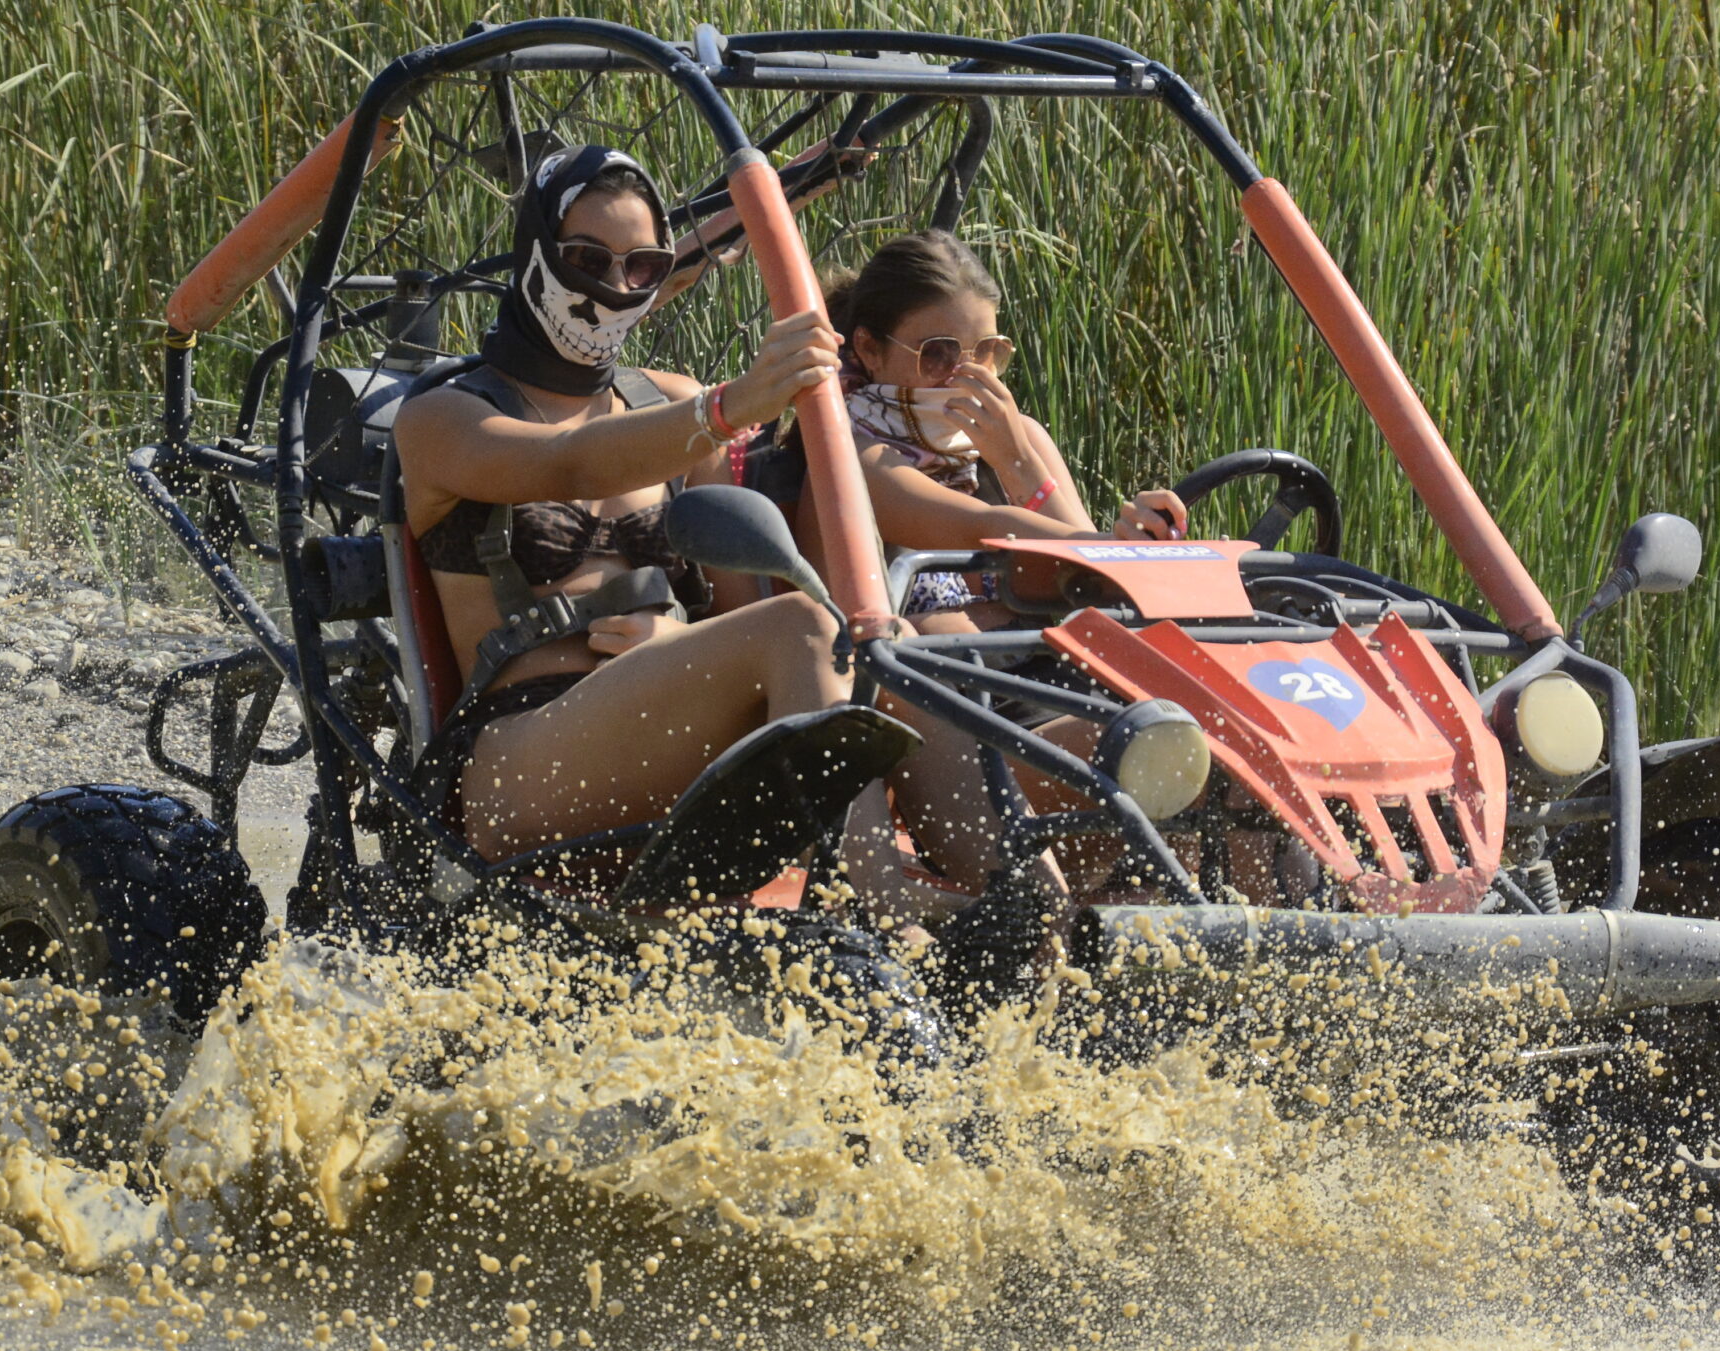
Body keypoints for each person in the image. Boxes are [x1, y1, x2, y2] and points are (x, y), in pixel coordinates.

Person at [393, 144, 856, 867]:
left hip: (667, 731)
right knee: (804, 628)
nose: (615, 286)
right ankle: (865, 895)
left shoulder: (672, 402)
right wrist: (731, 408)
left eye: (641, 267)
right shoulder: (444, 418)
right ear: (537, 253)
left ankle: (1014, 887)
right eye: (587, 260)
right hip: (517, 757)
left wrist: (677, 642)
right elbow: (564, 461)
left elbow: (737, 610)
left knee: (889, 652)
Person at [789, 230, 1189, 929]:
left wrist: (1023, 464)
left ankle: (1303, 941)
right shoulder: (852, 453)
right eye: (939, 355)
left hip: (1050, 707)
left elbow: (1092, 581)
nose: (968, 378)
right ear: (870, 350)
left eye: (987, 355)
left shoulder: (1013, 440)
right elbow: (977, 527)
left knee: (1219, 742)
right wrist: (1105, 543)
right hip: (964, 751)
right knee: (1178, 744)